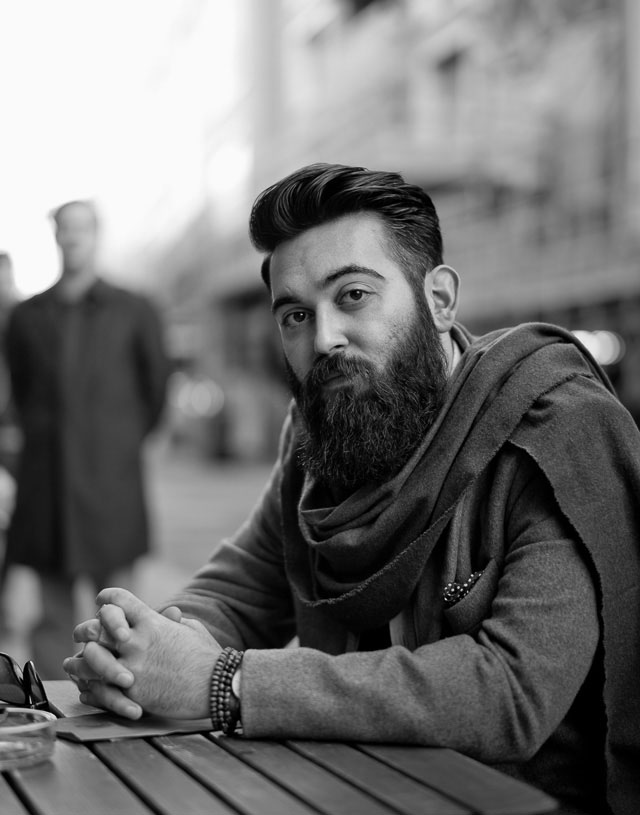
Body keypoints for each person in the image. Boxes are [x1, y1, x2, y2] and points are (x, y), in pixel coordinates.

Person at [65, 165, 640, 815]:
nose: (325, 338)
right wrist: (144, 650)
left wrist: (224, 682)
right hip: (344, 790)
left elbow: (511, 692)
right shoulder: (322, 429)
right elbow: (245, 584)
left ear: (440, 299)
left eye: (355, 296)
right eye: (295, 315)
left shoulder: (554, 424)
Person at [5, 200, 169, 678]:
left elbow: (155, 390)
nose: (73, 237)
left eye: (82, 229)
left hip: (110, 481)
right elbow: (22, 388)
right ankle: (55, 704)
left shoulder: (135, 309)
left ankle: (123, 694)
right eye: (64, 229)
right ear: (55, 236)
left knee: (120, 612)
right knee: (52, 610)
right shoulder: (26, 317)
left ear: (97, 236)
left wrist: (118, 443)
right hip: (47, 481)